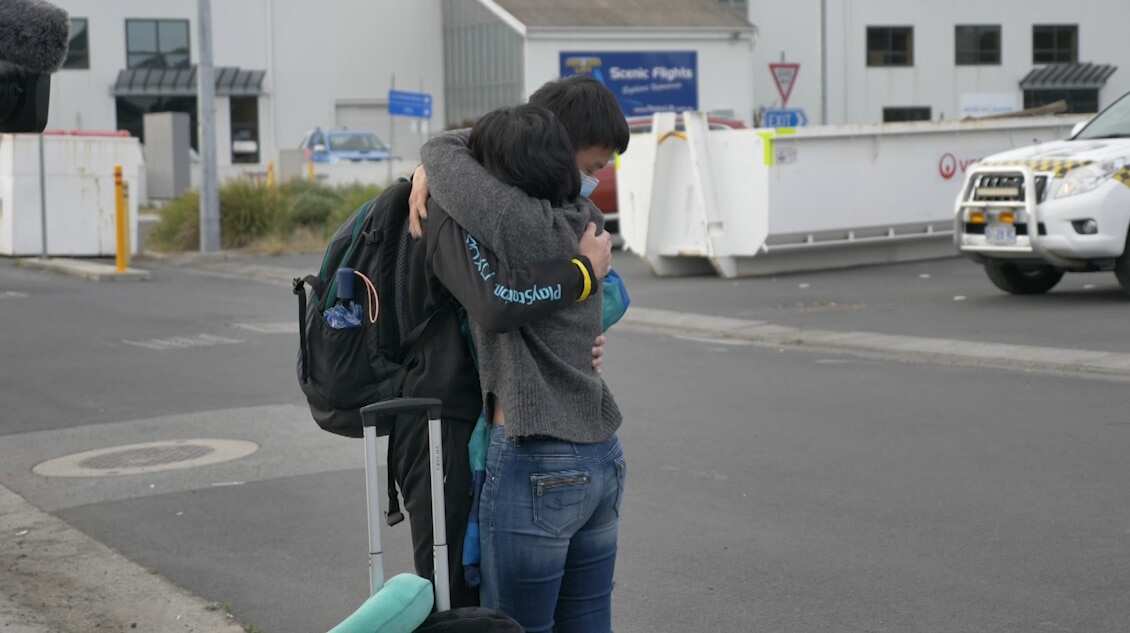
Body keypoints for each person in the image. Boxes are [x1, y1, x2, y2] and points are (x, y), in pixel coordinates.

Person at [411, 77, 631, 633]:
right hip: (601, 454)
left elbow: (441, 150)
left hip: (537, 456)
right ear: (560, 152)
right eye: (594, 162)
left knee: (513, 627)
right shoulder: (587, 222)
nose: (597, 175)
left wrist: (428, 173)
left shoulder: (510, 220)